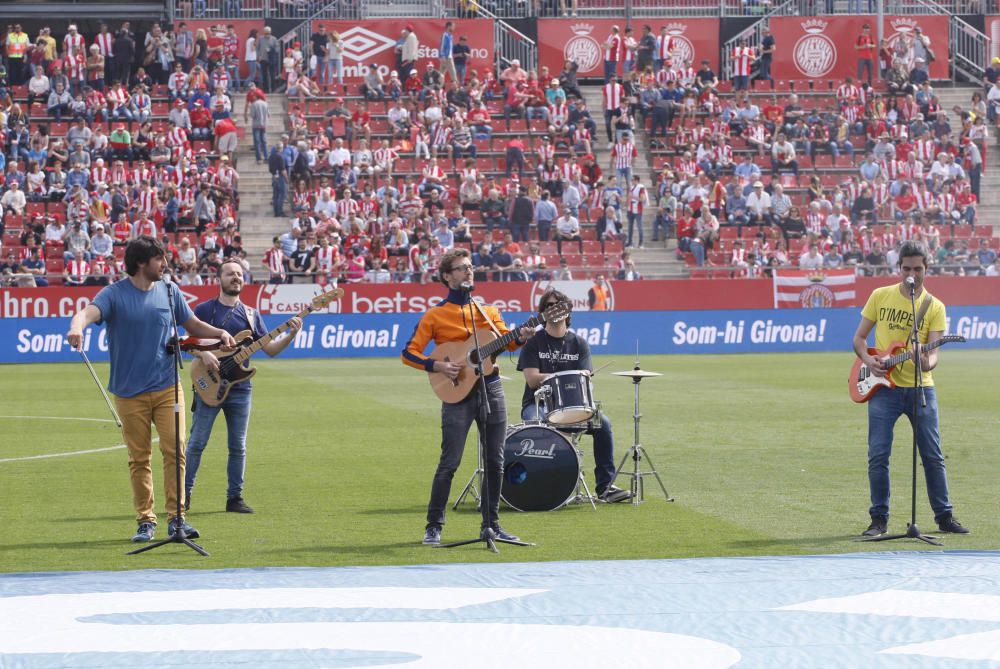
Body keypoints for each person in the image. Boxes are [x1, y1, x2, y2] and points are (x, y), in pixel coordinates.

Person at [66, 236, 237, 543]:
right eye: (159, 259)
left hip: (167, 386)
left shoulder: (170, 291)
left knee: (176, 452)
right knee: (139, 458)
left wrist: (221, 332)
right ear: (142, 263)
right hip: (129, 392)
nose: (166, 264)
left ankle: (177, 520)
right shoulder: (114, 294)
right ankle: (146, 520)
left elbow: (193, 325)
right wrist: (76, 328)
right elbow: (86, 314)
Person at [401, 248, 534, 546]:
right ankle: (434, 526)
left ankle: (492, 525)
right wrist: (437, 365)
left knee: (496, 460)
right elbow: (408, 353)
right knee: (450, 462)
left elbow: (508, 344)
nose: (468, 271)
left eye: (470, 267)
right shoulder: (435, 315)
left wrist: (521, 336)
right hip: (456, 393)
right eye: (461, 268)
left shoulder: (488, 311)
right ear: (447, 276)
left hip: (491, 386)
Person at [851, 240, 968, 538]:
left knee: (932, 455)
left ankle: (944, 516)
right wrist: (870, 361)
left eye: (917, 269)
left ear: (926, 269)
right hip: (883, 388)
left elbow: (933, 359)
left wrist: (923, 359)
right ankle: (879, 519)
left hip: (921, 390)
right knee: (878, 455)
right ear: (899, 268)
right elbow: (859, 339)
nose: (911, 274)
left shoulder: (934, 307)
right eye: (906, 269)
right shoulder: (880, 296)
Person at [184, 260, 302, 515]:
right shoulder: (205, 310)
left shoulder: (251, 314)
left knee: (238, 446)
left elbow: (269, 349)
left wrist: (290, 334)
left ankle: (234, 498)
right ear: (219, 279)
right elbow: (186, 342)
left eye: (239, 274)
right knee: (197, 443)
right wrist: (203, 355)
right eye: (230, 273)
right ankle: (183, 496)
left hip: (240, 388)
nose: (236, 277)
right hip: (209, 384)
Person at [517, 288, 628, 502]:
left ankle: (605, 487)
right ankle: (544, 486)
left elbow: (585, 378)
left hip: (572, 405)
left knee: (603, 424)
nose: (554, 309)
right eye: (549, 306)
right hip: (538, 404)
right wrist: (563, 375)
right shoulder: (533, 342)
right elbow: (531, 379)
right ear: (543, 312)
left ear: (568, 312)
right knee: (536, 421)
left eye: (559, 305)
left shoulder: (579, 343)